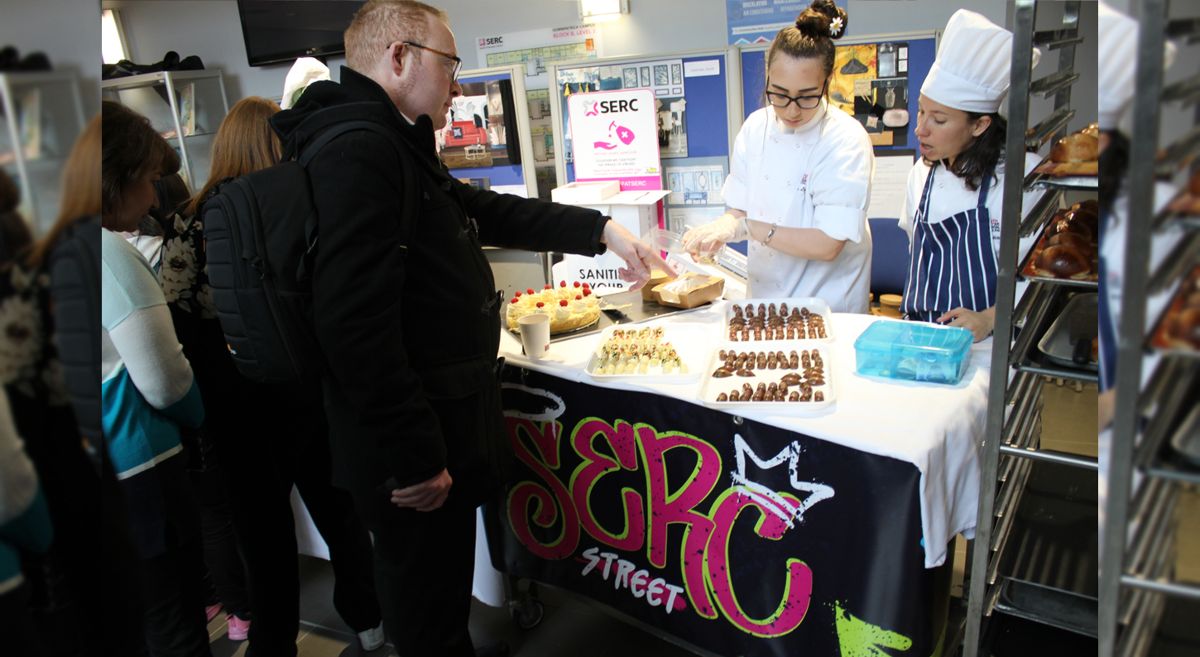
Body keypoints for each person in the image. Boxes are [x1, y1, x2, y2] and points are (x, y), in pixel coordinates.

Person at [270, 1, 670, 654]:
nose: (458, 86)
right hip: (410, 460)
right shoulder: (359, 150)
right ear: (398, 58)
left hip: (432, 437)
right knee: (428, 620)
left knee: (441, 607)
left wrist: (599, 229)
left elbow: (480, 209)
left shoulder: (389, 140)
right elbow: (352, 325)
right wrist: (415, 457)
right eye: (450, 65)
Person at [166, 95, 385, 655]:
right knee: (342, 517)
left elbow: (178, 321)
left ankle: (272, 645)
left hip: (232, 404)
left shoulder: (190, 222)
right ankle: (370, 625)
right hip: (303, 390)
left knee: (262, 540)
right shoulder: (296, 209)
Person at [100, 100, 212, 657]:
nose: (152, 197)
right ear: (114, 179)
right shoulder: (108, 258)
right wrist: (200, 414)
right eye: (145, 181)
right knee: (175, 624)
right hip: (141, 470)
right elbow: (165, 381)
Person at [682, 0, 874, 313]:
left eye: (807, 96)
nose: (792, 110)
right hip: (764, 301)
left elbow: (828, 245)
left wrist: (750, 228)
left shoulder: (844, 139)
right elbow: (739, 209)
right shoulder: (755, 128)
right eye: (780, 94)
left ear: (827, 83)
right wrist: (722, 227)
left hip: (828, 308)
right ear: (768, 76)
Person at [897, 9, 1044, 341]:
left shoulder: (1022, 178)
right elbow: (916, 257)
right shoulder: (922, 175)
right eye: (921, 110)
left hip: (990, 345)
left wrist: (990, 318)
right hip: (923, 338)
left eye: (939, 119)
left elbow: (1038, 280)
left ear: (979, 125)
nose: (920, 129)